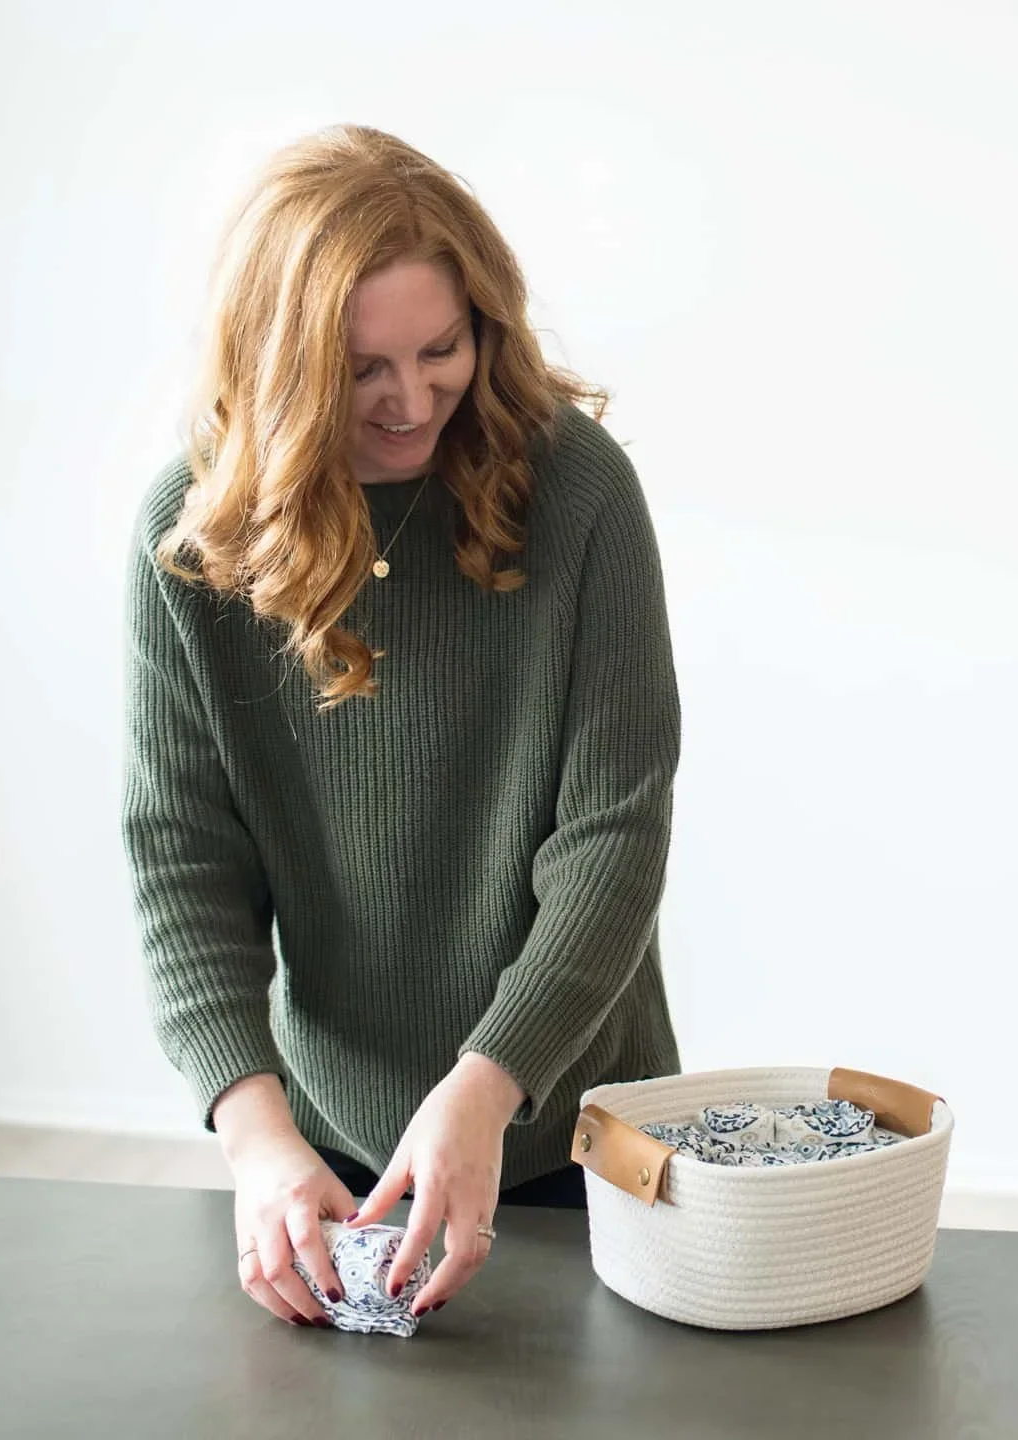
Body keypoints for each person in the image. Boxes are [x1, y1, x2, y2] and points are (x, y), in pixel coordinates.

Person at [120, 123, 682, 1330]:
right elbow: (183, 858)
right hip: (326, 1152)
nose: (412, 397)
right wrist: (253, 1135)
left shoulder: (579, 496)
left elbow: (615, 836)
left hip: (575, 1126)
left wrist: (487, 1088)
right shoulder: (193, 537)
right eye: (361, 367)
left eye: (443, 349)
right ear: (277, 363)